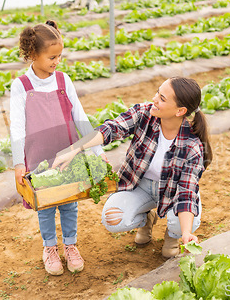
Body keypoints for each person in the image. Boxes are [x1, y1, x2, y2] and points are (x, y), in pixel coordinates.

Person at [53, 77, 212, 258]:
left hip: (173, 193)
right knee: (112, 219)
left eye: (162, 98)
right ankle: (147, 219)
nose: (154, 99)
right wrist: (75, 149)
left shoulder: (192, 146)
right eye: (157, 93)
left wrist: (185, 233)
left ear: (180, 111)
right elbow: (111, 129)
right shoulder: (145, 114)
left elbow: (186, 193)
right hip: (140, 186)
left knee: (182, 224)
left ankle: (172, 236)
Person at [9, 20, 106, 275]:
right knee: (46, 204)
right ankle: (49, 248)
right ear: (33, 55)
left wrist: (98, 153)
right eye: (52, 57)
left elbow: (81, 118)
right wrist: (19, 163)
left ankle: (70, 245)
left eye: (60, 56)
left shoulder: (64, 80)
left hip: (67, 153)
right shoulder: (21, 86)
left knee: (69, 202)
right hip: (39, 158)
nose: (56, 62)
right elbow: (17, 128)